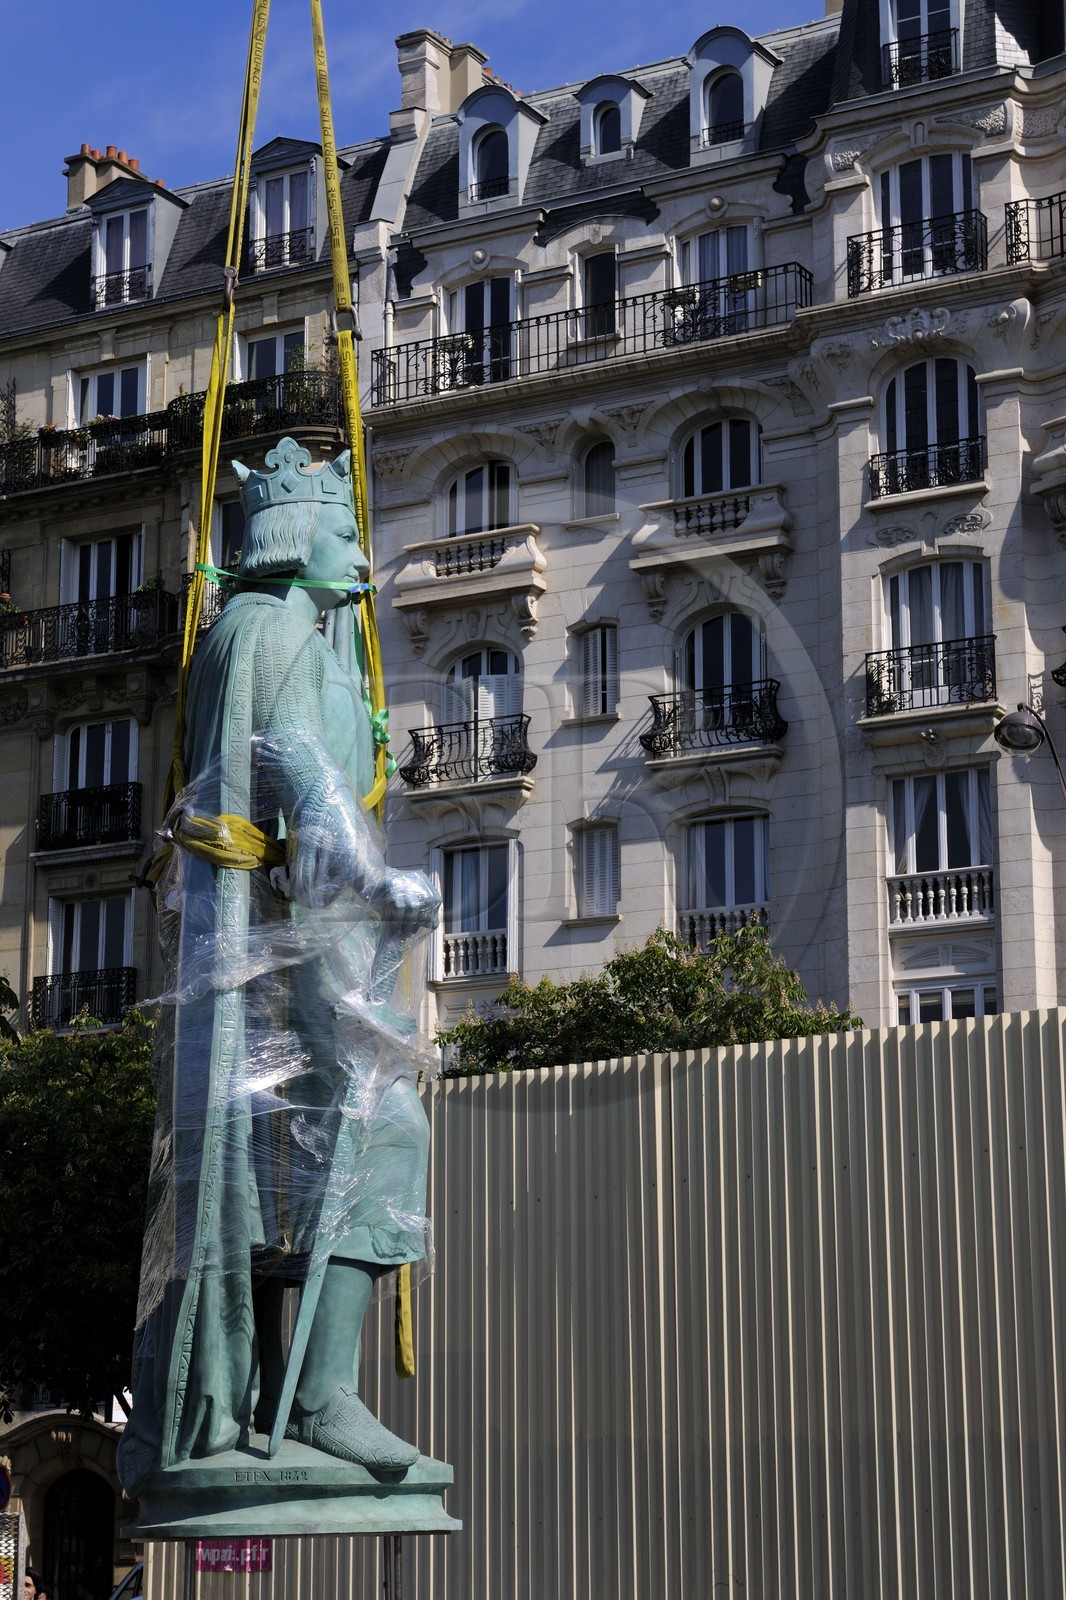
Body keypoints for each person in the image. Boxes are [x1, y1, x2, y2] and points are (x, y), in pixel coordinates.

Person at [117, 438, 439, 1495]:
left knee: (262, 1166)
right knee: (384, 1129)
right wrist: (386, 884)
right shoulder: (280, 630)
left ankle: (261, 1394)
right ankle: (318, 1395)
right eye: (347, 532)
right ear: (298, 537)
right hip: (300, 927)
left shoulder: (247, 629)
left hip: (258, 938)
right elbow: (296, 769)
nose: (362, 555)